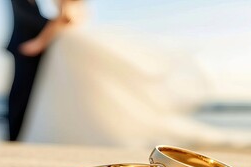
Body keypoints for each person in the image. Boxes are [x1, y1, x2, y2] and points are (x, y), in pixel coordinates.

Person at [20, 0, 233, 148]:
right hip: (70, 43)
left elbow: (65, 18)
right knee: (87, 94)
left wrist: (40, 43)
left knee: (74, 94)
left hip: (66, 43)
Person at [6, 0, 48, 141]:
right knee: (20, 93)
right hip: (26, 49)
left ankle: (18, 136)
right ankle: (14, 136)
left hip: (35, 49)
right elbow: (27, 18)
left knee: (30, 95)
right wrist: (53, 26)